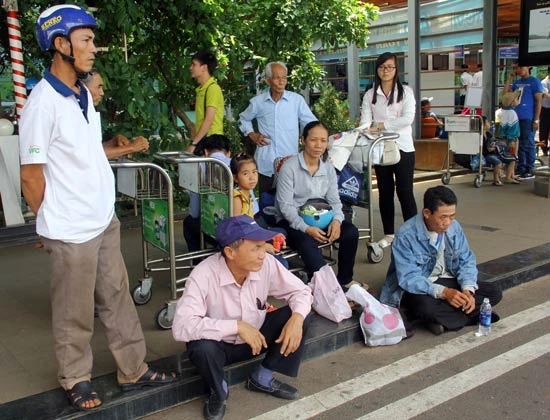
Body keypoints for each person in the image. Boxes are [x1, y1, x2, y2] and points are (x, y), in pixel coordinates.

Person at [18, 5, 176, 411]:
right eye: (85, 40)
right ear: (60, 43)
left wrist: (116, 149)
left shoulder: (82, 95)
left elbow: (85, 153)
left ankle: (133, 369)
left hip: (101, 218)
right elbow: (31, 176)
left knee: (117, 297)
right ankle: (75, 377)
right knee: (74, 311)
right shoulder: (41, 103)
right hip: (70, 229)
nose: (94, 47)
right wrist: (45, 225)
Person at [172, 215, 312, 420]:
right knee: (201, 347)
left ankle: (262, 377)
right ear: (230, 252)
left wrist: (297, 320)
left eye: (263, 246)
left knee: (300, 314)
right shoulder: (203, 274)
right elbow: (181, 326)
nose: (262, 254)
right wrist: (236, 326)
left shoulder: (267, 264)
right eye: (255, 248)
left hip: (256, 339)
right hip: (221, 346)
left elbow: (302, 292)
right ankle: (218, 391)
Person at [380, 186, 502, 335]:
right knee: (425, 307)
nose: (448, 222)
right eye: (443, 217)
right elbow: (409, 278)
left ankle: (442, 320)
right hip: (421, 286)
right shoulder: (406, 235)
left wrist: (467, 290)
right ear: (427, 213)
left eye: (452, 216)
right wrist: (444, 293)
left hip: (446, 279)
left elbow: (466, 260)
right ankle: (467, 317)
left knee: (494, 292)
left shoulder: (454, 227)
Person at [275, 121, 359, 288]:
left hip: (322, 217)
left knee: (350, 232)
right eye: (314, 140)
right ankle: (325, 287)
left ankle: (345, 280)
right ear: (303, 140)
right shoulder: (289, 168)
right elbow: (285, 206)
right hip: (293, 220)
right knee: (307, 242)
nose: (318, 145)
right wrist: (306, 228)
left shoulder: (328, 169)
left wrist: (337, 221)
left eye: (323, 140)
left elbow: (335, 200)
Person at [357, 52, 418, 248]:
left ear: (396, 69)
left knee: (405, 192)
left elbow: (407, 119)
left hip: (403, 147)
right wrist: (362, 130)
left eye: (390, 67)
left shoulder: (406, 92)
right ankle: (389, 234)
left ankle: (413, 235)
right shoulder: (370, 94)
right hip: (379, 149)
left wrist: (381, 126)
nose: (386, 71)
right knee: (384, 192)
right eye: (382, 67)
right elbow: (366, 121)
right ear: (377, 69)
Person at [238, 61, 316, 198]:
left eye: (284, 78)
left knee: (291, 204)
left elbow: (312, 123)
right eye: (277, 78)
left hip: (290, 164)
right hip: (265, 164)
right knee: (267, 205)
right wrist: (251, 134)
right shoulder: (258, 102)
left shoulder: (296, 101)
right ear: (268, 80)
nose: (281, 82)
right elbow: (243, 119)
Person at [83, 69, 149, 159]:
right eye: (98, 87)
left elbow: (95, 149)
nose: (102, 93)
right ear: (83, 87)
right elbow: (89, 155)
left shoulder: (88, 111)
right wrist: (131, 148)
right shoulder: (75, 115)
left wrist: (113, 142)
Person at [183, 134, 232, 252]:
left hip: (215, 228)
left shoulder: (199, 166)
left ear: (205, 152)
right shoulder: (240, 165)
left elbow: (194, 212)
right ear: (229, 152)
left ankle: (198, 264)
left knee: (189, 223)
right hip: (244, 225)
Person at [503, 62, 543, 180]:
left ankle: (529, 168)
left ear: (528, 67)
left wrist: (536, 119)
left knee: (528, 142)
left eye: (520, 67)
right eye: (516, 68)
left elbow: (538, 102)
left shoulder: (534, 82)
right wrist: (509, 79)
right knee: (519, 143)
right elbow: (506, 96)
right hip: (516, 117)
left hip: (528, 116)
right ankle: (521, 167)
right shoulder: (516, 83)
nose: (518, 70)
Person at [187, 51, 224, 153]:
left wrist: (193, 143)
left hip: (213, 142)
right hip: (204, 141)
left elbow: (208, 120)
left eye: (194, 64)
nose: (191, 68)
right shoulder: (201, 89)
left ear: (204, 67)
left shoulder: (212, 89)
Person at [482, 116, 518, 186]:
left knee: (512, 159)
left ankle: (508, 177)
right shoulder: (480, 136)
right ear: (483, 125)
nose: (489, 123)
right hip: (486, 155)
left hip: (494, 152)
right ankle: (496, 180)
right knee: (498, 162)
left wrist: (495, 147)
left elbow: (492, 143)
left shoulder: (488, 134)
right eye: (487, 122)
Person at [496, 91, 522, 182]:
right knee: (513, 157)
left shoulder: (500, 112)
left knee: (503, 156)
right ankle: (509, 177)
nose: (518, 100)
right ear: (512, 102)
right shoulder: (512, 113)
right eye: (516, 99)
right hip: (512, 139)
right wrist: (511, 140)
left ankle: (509, 175)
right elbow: (512, 128)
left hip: (502, 138)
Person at [539, 67, 550, 156]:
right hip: (545, 109)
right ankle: (544, 149)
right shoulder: (544, 82)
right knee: (544, 130)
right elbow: (546, 95)